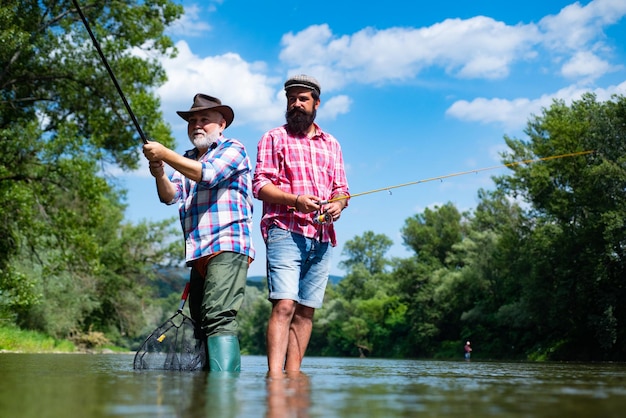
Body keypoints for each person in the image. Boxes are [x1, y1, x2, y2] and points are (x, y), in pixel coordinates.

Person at [142, 93, 255, 372]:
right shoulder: (187, 158)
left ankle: (222, 393)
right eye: (192, 120)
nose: (197, 125)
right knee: (202, 323)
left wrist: (164, 154)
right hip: (198, 251)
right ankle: (206, 395)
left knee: (218, 316)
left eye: (205, 119)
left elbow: (208, 174)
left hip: (228, 244)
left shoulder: (234, 148)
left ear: (222, 123)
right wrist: (159, 173)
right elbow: (170, 197)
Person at [252, 74, 350, 374]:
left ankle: (293, 375)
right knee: (284, 305)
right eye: (291, 98)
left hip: (321, 237)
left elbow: (342, 190)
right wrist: (295, 201)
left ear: (316, 104)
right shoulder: (273, 138)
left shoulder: (332, 143)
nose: (296, 104)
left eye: (302, 99)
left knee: (306, 311)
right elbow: (259, 186)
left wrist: (338, 204)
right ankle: (275, 377)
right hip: (284, 230)